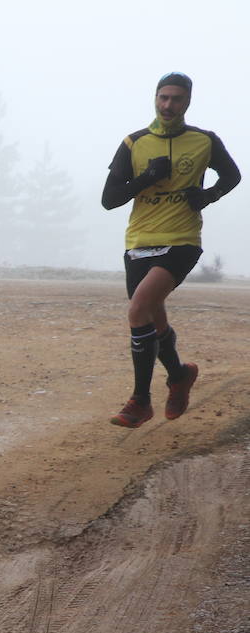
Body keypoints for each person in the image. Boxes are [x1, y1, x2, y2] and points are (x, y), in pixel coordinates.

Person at [101, 71, 239, 428]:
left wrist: (208, 196)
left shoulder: (204, 141)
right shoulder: (134, 143)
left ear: (187, 102)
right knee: (150, 315)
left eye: (176, 98)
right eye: (163, 97)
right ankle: (178, 374)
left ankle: (141, 401)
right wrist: (147, 177)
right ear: (155, 99)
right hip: (139, 242)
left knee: (138, 309)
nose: (168, 105)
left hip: (181, 240)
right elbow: (109, 199)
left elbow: (233, 175)